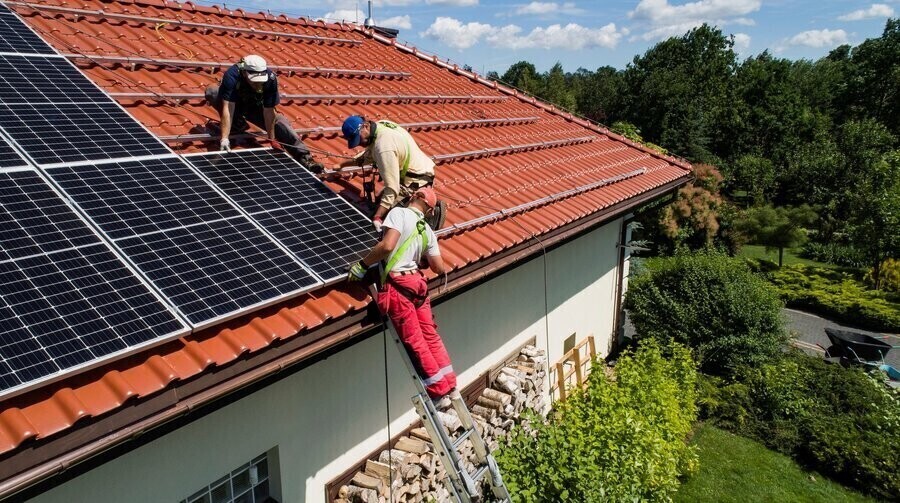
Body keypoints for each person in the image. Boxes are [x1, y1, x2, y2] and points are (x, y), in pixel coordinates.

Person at [347, 187, 457, 400]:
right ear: (429, 211)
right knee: (430, 336)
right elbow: (438, 268)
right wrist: (418, 255)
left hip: (399, 286)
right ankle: (450, 384)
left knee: (414, 340)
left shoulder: (398, 213)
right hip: (418, 285)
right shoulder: (427, 230)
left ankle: (438, 392)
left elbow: (387, 246)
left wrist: (362, 265)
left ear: (415, 197)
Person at [205, 54, 324, 172]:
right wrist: (224, 138)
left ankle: (304, 157)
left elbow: (268, 112)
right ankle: (237, 122)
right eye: (254, 82)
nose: (258, 84)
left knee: (280, 121)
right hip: (235, 104)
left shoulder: (270, 79)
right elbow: (228, 108)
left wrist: (272, 138)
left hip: (256, 107)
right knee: (212, 91)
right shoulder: (232, 75)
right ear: (245, 73)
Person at [337, 115, 445, 231]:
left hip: (416, 179)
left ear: (365, 126)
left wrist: (377, 217)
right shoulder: (380, 125)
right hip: (419, 168)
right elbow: (367, 155)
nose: (359, 144)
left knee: (394, 221)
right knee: (381, 201)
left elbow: (392, 188)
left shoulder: (384, 147)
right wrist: (341, 165)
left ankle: (428, 211)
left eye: (359, 140)